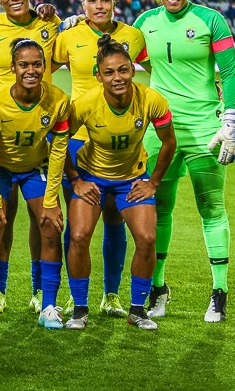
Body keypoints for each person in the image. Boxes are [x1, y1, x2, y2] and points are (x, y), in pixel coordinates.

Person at [134, 0, 235, 322]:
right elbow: (129, 53)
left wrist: (231, 118)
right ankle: (158, 288)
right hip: (160, 129)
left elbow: (229, 73)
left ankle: (219, 293)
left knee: (211, 207)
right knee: (157, 208)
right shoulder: (145, 22)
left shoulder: (211, 20)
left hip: (203, 128)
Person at [65, 35, 176, 331]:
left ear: (133, 70)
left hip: (132, 179)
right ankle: (79, 310)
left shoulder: (151, 100)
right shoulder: (85, 104)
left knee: (148, 239)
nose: (118, 78)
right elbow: (58, 140)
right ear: (98, 76)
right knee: (78, 237)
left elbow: (169, 142)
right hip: (92, 178)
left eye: (123, 70)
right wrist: (75, 180)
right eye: (110, 72)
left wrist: (153, 183)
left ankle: (137, 310)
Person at [52, 0, 145, 318]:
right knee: (77, 222)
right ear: (83, 4)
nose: (99, 5)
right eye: (92, 0)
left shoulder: (133, 36)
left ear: (115, 2)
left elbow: (162, 68)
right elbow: (41, 72)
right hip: (79, 141)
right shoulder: (69, 36)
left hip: (119, 142)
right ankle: (73, 294)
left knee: (114, 217)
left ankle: (111, 294)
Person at [0, 0, 60, 312]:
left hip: (39, 134)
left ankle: (40, 291)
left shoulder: (49, 24)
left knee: (43, 219)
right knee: (1, 218)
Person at [0, 39, 70, 330]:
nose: (31, 70)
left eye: (37, 64)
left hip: (35, 168)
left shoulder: (59, 100)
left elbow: (58, 152)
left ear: (45, 66)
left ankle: (48, 306)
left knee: (51, 225)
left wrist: (51, 200)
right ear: (13, 68)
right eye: (24, 65)